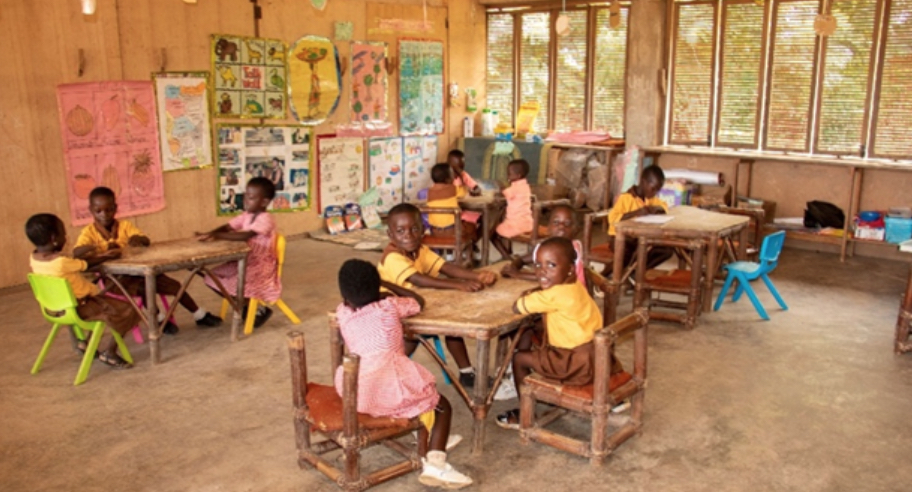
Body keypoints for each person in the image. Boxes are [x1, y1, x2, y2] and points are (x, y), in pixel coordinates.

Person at [335, 259, 472, 489]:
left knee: (414, 396)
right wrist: (389, 287)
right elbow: (418, 302)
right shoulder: (388, 306)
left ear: (345, 296)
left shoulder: (343, 313)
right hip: (388, 387)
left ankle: (431, 438)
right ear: (377, 288)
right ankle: (436, 462)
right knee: (441, 405)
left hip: (356, 393)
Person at [496, 237, 624, 429]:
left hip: (575, 364)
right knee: (537, 331)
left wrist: (534, 293)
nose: (542, 271)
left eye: (551, 265)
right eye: (538, 264)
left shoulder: (555, 295)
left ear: (571, 269)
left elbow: (518, 307)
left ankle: (525, 414)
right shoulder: (575, 287)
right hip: (598, 358)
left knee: (520, 359)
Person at [378, 203, 497, 388]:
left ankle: (466, 372)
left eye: (414, 229)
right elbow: (419, 280)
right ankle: (388, 373)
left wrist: (477, 275)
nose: (408, 235)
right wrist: (458, 285)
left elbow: (445, 267)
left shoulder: (419, 250)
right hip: (393, 316)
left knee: (453, 326)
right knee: (412, 336)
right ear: (390, 235)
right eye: (400, 231)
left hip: (418, 305)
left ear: (423, 230)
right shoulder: (393, 257)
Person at [73, 187, 222, 334]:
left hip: (140, 272)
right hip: (115, 280)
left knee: (176, 286)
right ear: (91, 210)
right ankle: (158, 319)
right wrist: (98, 246)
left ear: (115, 208)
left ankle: (199, 314)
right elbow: (77, 253)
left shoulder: (125, 226)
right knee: (146, 289)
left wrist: (137, 239)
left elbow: (144, 240)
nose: (104, 214)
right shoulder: (89, 232)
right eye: (98, 211)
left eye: (109, 209)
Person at [26, 213, 140, 369]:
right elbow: (84, 264)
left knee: (106, 306)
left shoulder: (34, 259)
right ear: (54, 239)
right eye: (63, 234)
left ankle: (85, 343)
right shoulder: (61, 263)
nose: (66, 238)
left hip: (55, 309)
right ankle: (110, 352)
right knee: (128, 309)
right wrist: (106, 256)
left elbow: (72, 261)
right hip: (81, 307)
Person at [197, 177, 282, 328]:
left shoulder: (266, 219)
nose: (246, 201)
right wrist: (210, 233)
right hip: (242, 261)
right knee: (211, 278)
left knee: (229, 285)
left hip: (260, 267)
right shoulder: (246, 215)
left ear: (264, 202)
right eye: (245, 196)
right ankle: (248, 307)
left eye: (251, 198)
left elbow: (245, 235)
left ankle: (257, 309)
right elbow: (228, 227)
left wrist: (217, 236)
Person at [501, 204, 608, 294]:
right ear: (548, 228)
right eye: (556, 222)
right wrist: (514, 266)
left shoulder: (571, 249)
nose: (561, 226)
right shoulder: (546, 247)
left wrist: (517, 274)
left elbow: (552, 277)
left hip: (571, 299)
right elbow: (523, 259)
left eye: (567, 224)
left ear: (576, 230)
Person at [607, 165, 673, 270]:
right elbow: (612, 219)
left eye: (657, 190)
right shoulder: (626, 198)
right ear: (644, 182)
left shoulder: (650, 199)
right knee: (628, 254)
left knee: (666, 250)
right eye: (653, 189)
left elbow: (665, 207)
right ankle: (607, 275)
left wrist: (655, 209)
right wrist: (635, 213)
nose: (655, 193)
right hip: (620, 238)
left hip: (640, 238)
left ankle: (635, 273)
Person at [491, 159, 534, 259]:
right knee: (501, 226)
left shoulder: (515, 188)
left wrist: (500, 185)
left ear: (518, 176)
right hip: (527, 223)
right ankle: (509, 255)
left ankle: (507, 257)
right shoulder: (526, 186)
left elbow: (505, 193)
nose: (508, 177)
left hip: (516, 225)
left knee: (492, 236)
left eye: (509, 174)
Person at [426, 163, 476, 242]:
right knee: (472, 227)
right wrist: (461, 178)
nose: (454, 177)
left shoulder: (429, 192)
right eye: (452, 175)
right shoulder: (453, 189)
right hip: (453, 231)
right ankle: (467, 250)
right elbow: (465, 191)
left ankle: (450, 253)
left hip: (435, 232)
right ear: (447, 179)